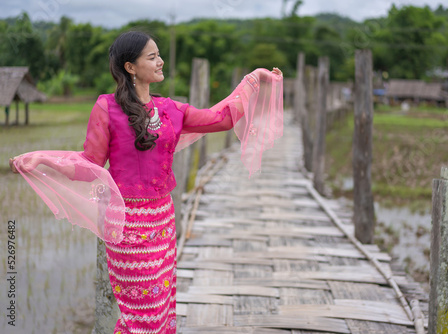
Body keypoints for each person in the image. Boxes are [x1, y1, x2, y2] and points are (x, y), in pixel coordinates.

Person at [9, 31, 283, 334]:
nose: (161, 61)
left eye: (159, 55)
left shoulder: (171, 110)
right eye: (152, 57)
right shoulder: (106, 108)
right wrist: (43, 161)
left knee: (163, 310)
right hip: (125, 223)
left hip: (163, 220)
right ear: (130, 67)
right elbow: (90, 165)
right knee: (142, 316)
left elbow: (221, 118)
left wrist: (253, 80)